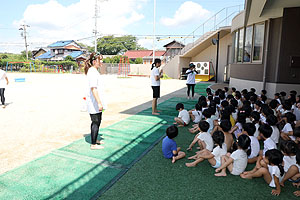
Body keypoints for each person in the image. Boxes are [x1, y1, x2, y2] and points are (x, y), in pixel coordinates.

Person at [85, 52, 106, 150]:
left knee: (98, 121)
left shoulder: (95, 71)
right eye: (99, 60)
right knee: (95, 121)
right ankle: (93, 144)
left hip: (96, 101)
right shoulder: (92, 72)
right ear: (94, 61)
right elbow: (93, 88)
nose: (101, 61)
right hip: (94, 102)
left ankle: (95, 139)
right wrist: (99, 102)